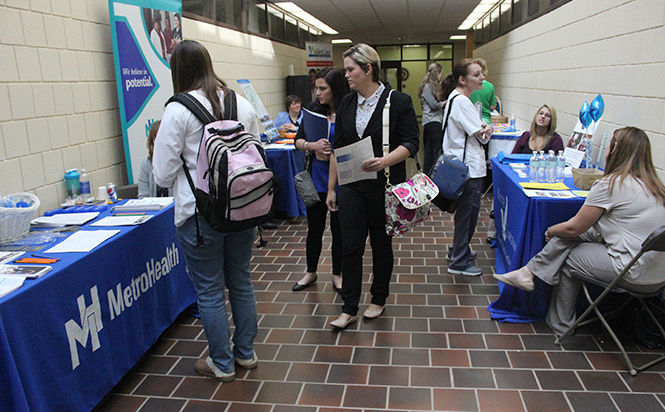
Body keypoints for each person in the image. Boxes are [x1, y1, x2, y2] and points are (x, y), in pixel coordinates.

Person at [152, 40, 260, 382]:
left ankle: (222, 363)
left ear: (178, 72)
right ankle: (245, 353)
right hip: (242, 209)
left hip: (198, 215)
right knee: (240, 281)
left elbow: (162, 174)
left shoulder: (177, 110)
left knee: (210, 290)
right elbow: (256, 152)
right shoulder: (240, 103)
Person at [494, 126, 665, 335]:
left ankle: (560, 325)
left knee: (569, 257)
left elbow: (574, 227)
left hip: (633, 271)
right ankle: (527, 272)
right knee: (579, 237)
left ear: (615, 148)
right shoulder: (657, 187)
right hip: (659, 276)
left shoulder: (611, 185)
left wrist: (552, 230)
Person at [326, 44, 419, 329]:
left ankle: (378, 298)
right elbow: (338, 147)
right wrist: (332, 188)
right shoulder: (346, 103)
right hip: (352, 185)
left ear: (368, 69)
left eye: (351, 69)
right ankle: (349, 307)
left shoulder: (398, 101)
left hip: (384, 185)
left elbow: (411, 143)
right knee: (350, 245)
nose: (347, 75)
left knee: (381, 244)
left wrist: (385, 161)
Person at [292, 67, 349, 292]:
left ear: (335, 89)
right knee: (314, 228)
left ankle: (338, 274)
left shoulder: (347, 110)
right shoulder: (313, 111)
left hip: (340, 180)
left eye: (323, 88)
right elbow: (297, 141)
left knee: (339, 230)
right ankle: (310, 272)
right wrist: (311, 145)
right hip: (316, 178)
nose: (318, 93)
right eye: (316, 88)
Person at [441, 59, 494, 277]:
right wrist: (488, 128)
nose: (482, 77)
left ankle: (458, 249)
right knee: (468, 214)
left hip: (460, 165)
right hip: (469, 168)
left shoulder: (454, 99)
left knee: (465, 213)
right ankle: (459, 261)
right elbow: (481, 137)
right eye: (476, 74)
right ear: (462, 79)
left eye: (481, 73)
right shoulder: (463, 102)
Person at [417, 62, 444, 174]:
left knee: (430, 151)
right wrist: (445, 103)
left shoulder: (430, 86)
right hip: (433, 122)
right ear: (437, 73)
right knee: (434, 151)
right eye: (440, 73)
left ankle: (429, 174)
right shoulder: (428, 87)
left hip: (431, 122)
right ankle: (432, 174)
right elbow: (433, 105)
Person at [138, 120, 169, 198]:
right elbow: (143, 196)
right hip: (154, 209)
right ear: (152, 141)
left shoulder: (178, 161)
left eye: (162, 137)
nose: (159, 141)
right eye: (156, 137)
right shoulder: (146, 163)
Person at [469, 58, 496, 125]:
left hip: (469, 118)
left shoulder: (467, 86)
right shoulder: (490, 86)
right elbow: (492, 107)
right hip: (485, 119)